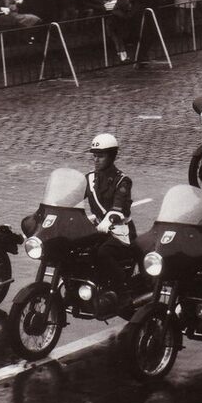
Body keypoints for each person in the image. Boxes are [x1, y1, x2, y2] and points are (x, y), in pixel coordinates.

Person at [83, 133, 136, 313]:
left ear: (112, 156)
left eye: (101, 156)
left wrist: (109, 220)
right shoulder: (90, 178)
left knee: (103, 253)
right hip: (100, 229)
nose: (96, 159)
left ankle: (122, 292)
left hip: (121, 232)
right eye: (94, 155)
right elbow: (73, 197)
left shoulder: (122, 181)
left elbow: (119, 208)